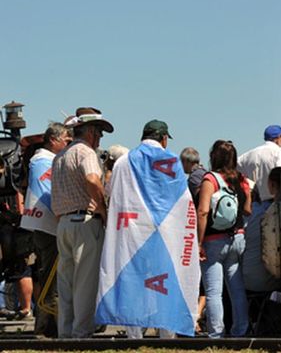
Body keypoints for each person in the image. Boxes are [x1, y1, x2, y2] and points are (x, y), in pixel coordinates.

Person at [96, 119, 200, 339]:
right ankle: (167, 334)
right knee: (167, 282)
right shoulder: (172, 161)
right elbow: (182, 201)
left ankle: (134, 335)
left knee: (133, 281)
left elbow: (114, 195)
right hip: (165, 233)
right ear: (163, 138)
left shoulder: (124, 161)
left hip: (132, 231)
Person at [51, 107, 112, 338]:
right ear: (90, 133)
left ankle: (65, 334)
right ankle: (81, 334)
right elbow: (92, 179)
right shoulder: (86, 153)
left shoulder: (59, 156)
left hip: (64, 223)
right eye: (98, 133)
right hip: (85, 222)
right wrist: (103, 208)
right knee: (86, 284)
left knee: (66, 284)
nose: (99, 139)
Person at [21, 122, 72, 336]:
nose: (69, 144)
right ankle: (51, 328)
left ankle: (46, 326)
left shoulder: (45, 160)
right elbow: (48, 193)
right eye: (66, 141)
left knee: (51, 276)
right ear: (54, 140)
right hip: (49, 226)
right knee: (52, 278)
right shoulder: (43, 161)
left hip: (48, 225)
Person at [197, 140, 251, 338]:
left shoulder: (210, 179)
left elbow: (203, 211)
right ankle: (240, 330)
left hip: (213, 241)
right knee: (236, 289)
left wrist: (199, 242)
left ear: (213, 157)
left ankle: (216, 333)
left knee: (213, 292)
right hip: (237, 239)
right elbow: (247, 210)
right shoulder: (241, 179)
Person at [180, 146, 208, 333]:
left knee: (199, 281)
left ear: (188, 162)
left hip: (201, 232)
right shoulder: (207, 174)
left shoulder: (194, 179)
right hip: (216, 232)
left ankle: (194, 319)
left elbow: (196, 208)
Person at [237, 125, 281, 203]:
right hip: (274, 202)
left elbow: (236, 171)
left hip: (254, 204)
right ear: (279, 137)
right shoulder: (279, 152)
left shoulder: (247, 156)